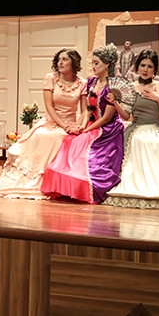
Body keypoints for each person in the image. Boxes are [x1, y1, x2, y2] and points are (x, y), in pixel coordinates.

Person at [0, 48, 87, 199]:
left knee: (68, 139)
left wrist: (78, 126)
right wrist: (64, 126)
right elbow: (49, 107)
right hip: (52, 121)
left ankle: (61, 182)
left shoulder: (82, 83)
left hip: (71, 124)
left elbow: (85, 110)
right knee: (44, 135)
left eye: (65, 59)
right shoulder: (51, 78)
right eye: (59, 59)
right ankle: (38, 179)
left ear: (73, 62)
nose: (60, 63)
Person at [103, 49, 159, 209]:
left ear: (155, 69)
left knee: (157, 142)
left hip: (156, 128)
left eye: (150, 66)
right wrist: (115, 102)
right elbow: (126, 116)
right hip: (136, 128)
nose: (145, 69)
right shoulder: (131, 88)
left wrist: (158, 99)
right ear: (137, 67)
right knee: (139, 141)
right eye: (142, 65)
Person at [42, 43, 124, 204]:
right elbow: (88, 109)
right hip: (91, 125)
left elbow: (106, 118)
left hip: (107, 130)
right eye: (92, 63)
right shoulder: (92, 82)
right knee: (70, 142)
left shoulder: (113, 86)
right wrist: (82, 126)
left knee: (87, 155)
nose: (93, 66)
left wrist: (87, 130)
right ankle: (63, 186)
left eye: (96, 63)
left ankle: (82, 186)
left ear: (107, 64)